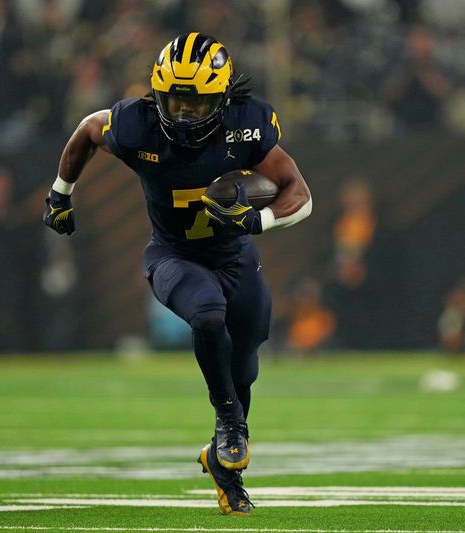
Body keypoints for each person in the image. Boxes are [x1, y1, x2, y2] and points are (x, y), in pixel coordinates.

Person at [43, 32, 311, 515]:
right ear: (158, 93)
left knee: (245, 361)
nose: (184, 114)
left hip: (234, 257)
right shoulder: (136, 125)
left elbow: (298, 191)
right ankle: (229, 422)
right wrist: (60, 192)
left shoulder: (246, 127)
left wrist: (257, 219)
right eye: (175, 100)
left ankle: (224, 467)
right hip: (172, 256)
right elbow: (87, 129)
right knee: (208, 314)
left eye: (197, 102)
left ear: (224, 100)